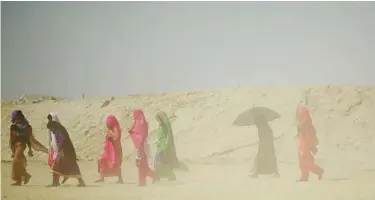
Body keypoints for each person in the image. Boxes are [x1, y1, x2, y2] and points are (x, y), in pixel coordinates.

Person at [46, 120, 86, 187]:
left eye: (51, 128)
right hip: (66, 151)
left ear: (53, 127)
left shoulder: (59, 131)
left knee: (62, 165)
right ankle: (55, 182)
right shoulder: (58, 130)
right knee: (66, 165)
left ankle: (55, 182)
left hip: (66, 152)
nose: (51, 130)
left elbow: (63, 140)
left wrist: (60, 149)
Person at [296, 105, 324, 182]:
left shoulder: (308, 125)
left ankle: (319, 171)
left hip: (306, 146)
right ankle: (304, 177)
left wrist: (312, 146)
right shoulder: (303, 124)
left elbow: (310, 137)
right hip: (303, 145)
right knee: (302, 162)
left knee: (307, 162)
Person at [129, 109, 155, 186]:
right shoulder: (137, 124)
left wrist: (140, 145)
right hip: (139, 147)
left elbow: (142, 135)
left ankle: (143, 181)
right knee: (141, 165)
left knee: (141, 164)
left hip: (142, 147)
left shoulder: (142, 124)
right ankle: (151, 177)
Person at [95, 115, 124, 184]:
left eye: (108, 123)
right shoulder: (110, 129)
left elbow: (117, 138)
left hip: (115, 150)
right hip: (108, 150)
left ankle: (120, 179)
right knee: (102, 161)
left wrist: (112, 139)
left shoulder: (116, 129)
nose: (107, 125)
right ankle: (101, 177)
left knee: (115, 164)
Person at [9, 110, 33, 186]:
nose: (16, 119)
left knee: (15, 162)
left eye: (16, 117)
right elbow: (11, 138)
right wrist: (12, 150)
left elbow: (29, 138)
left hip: (21, 145)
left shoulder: (27, 126)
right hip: (15, 146)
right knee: (19, 163)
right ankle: (22, 179)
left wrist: (30, 149)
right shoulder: (13, 126)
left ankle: (20, 177)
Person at [153, 111, 177, 182]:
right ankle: (159, 176)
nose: (158, 121)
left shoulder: (166, 127)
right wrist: (157, 141)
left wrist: (164, 145)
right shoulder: (160, 126)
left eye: (159, 120)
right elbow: (160, 136)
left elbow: (167, 137)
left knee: (164, 162)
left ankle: (169, 176)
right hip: (160, 147)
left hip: (165, 148)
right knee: (158, 161)